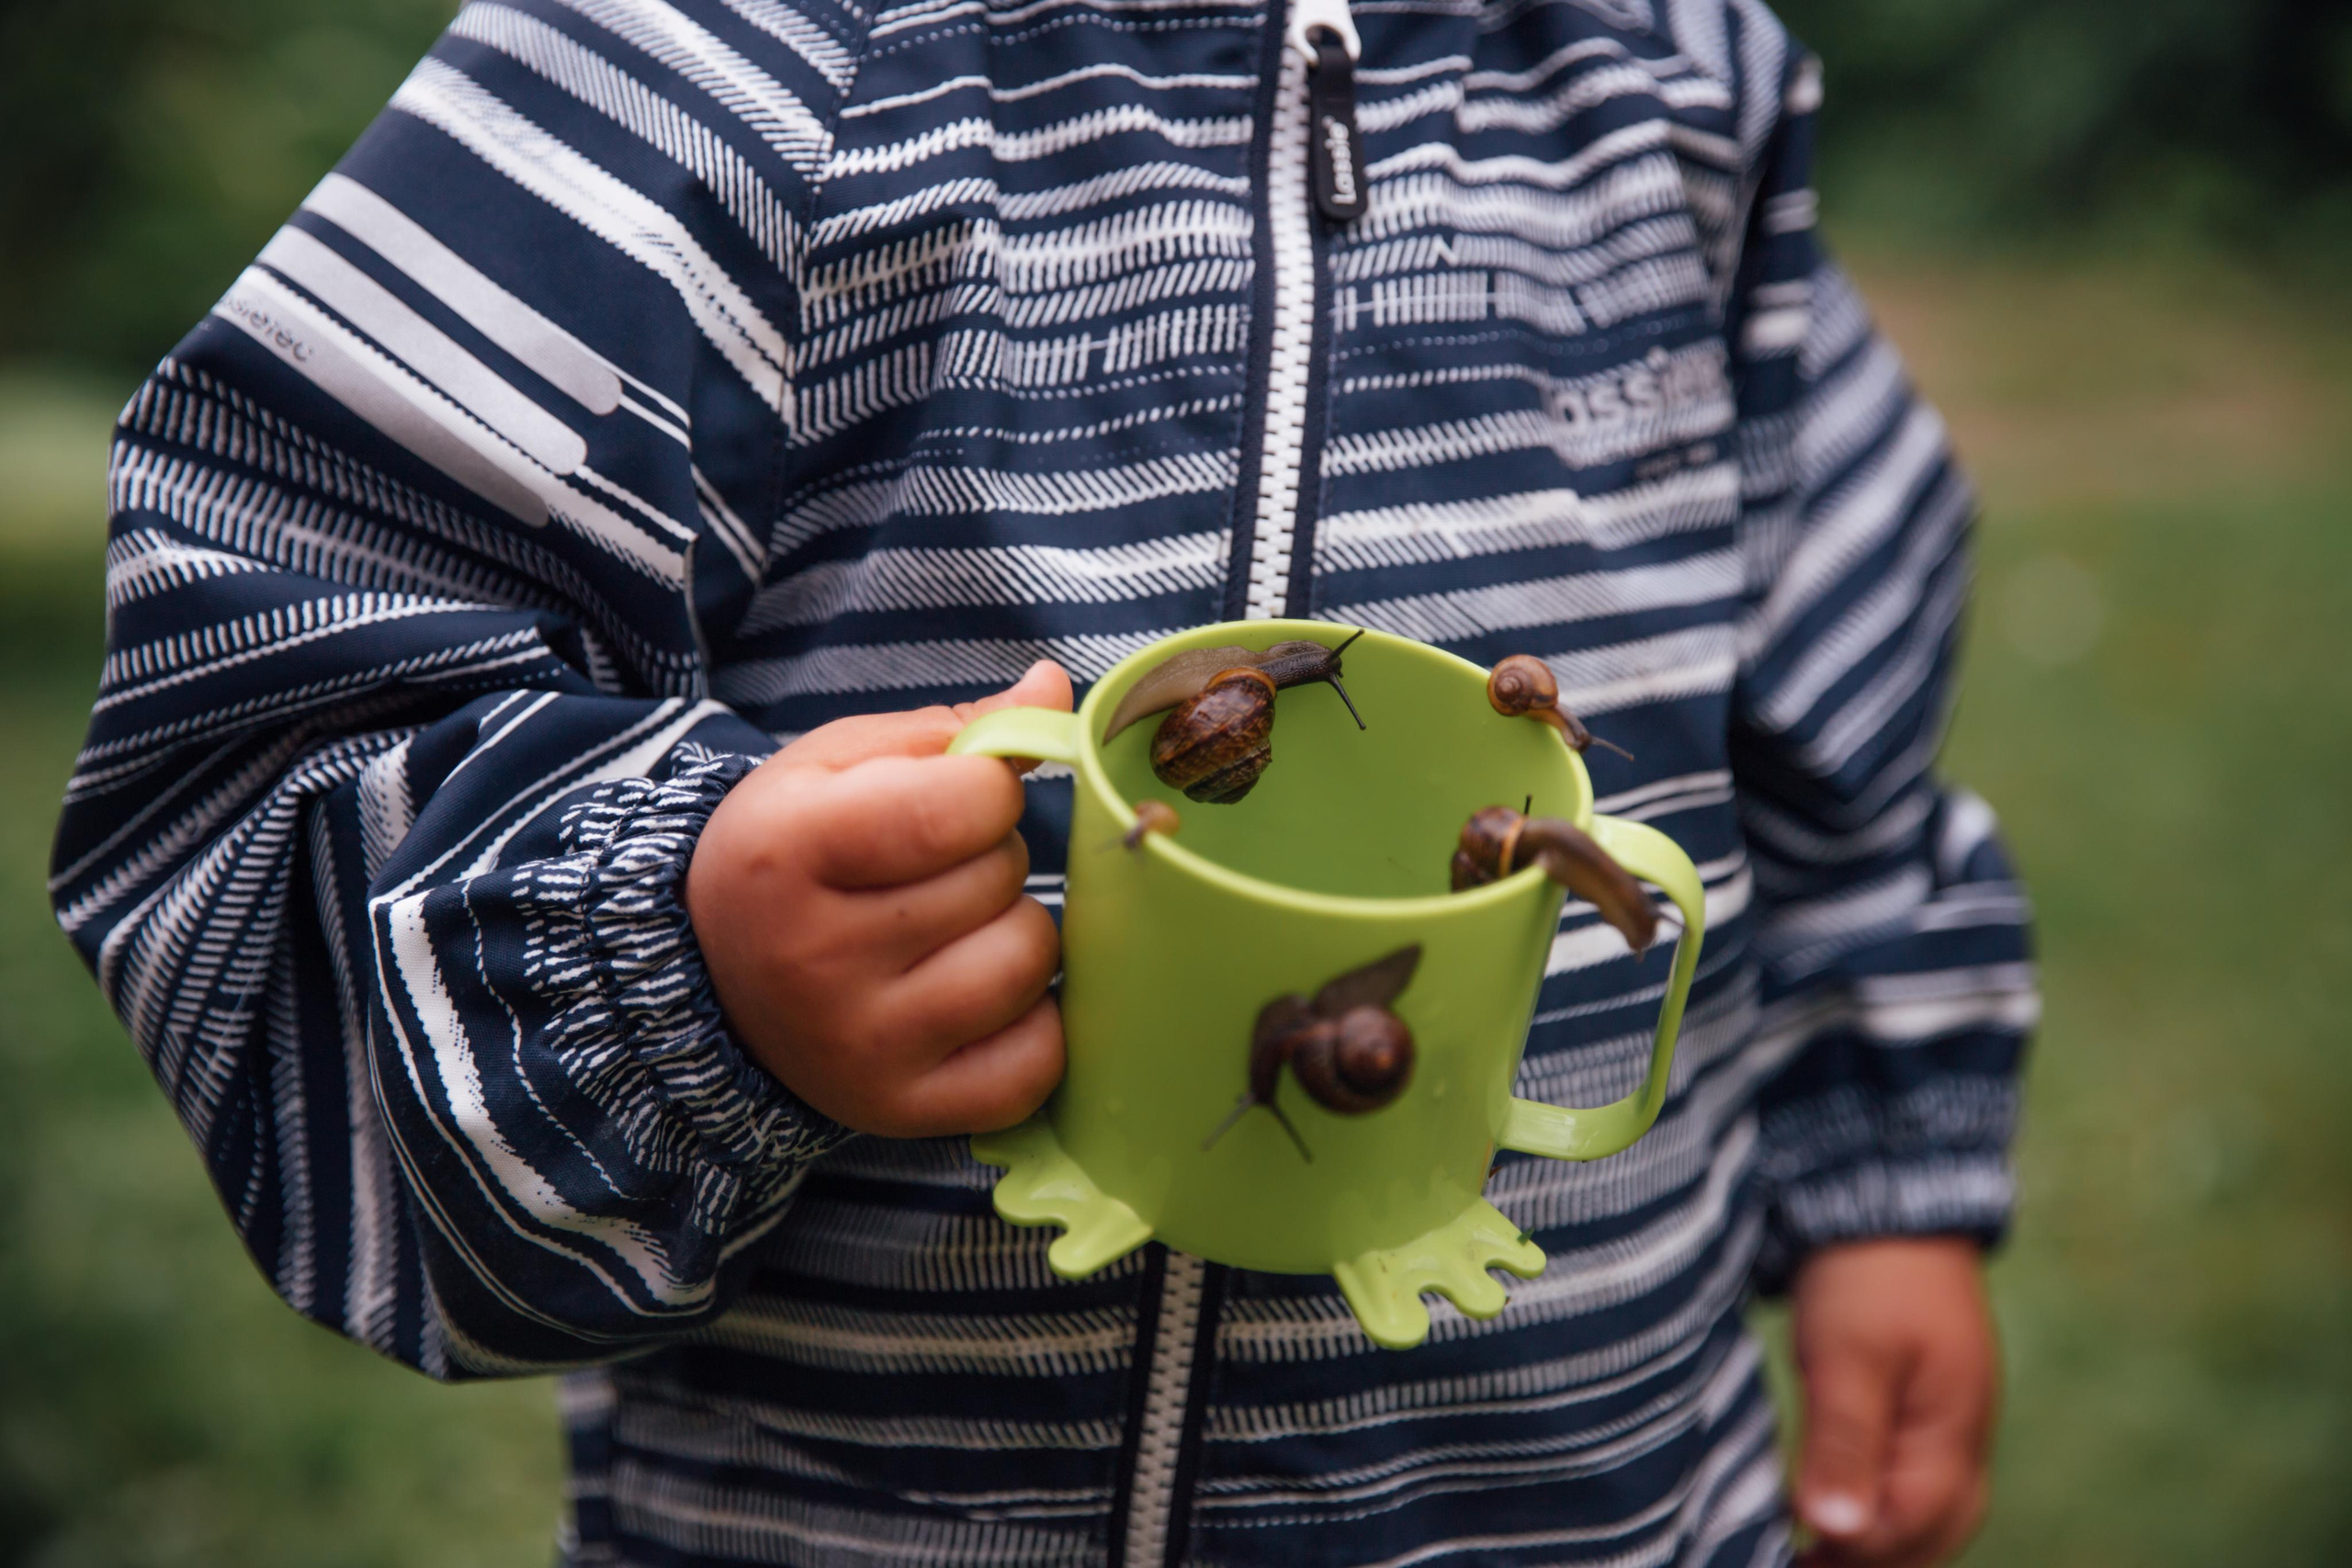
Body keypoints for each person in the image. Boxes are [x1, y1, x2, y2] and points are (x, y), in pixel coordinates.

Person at [51, 0, 2035, 1562]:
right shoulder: (689, 62)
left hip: (1604, 1504)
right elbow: (262, 729)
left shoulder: (1672, 78)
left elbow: (1845, 745)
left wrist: (1882, 1184)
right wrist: (675, 964)